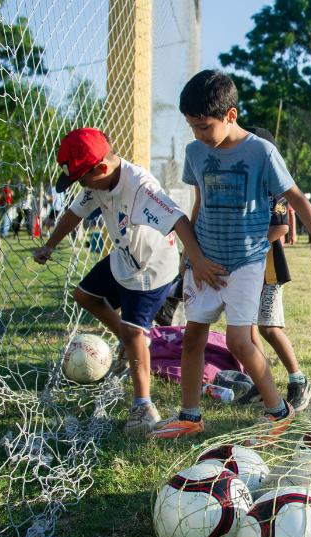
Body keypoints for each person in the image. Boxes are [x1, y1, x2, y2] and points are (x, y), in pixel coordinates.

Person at [149, 70, 311, 444]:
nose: (197, 135)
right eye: (191, 127)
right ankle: (189, 416)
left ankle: (278, 413)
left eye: (203, 126)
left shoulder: (261, 151)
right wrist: (191, 257)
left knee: (239, 341)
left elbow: (295, 197)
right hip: (204, 262)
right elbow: (197, 203)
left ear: (230, 115)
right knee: (193, 336)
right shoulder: (195, 152)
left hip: (247, 262)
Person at [33, 128, 207, 435]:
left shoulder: (142, 187)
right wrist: (50, 244)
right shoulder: (96, 182)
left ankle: (143, 406)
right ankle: (138, 342)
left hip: (150, 270)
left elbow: (178, 219)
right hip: (124, 259)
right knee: (85, 296)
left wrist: (196, 261)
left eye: (81, 179)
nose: (81, 186)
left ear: (101, 168)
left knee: (130, 332)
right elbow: (75, 212)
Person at [233, 127, 311, 412]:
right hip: (243, 268)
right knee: (249, 327)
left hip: (268, 268)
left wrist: (249, 245)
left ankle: (299, 380)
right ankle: (260, 379)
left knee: (268, 327)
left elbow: (281, 227)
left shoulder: (274, 187)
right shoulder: (240, 183)